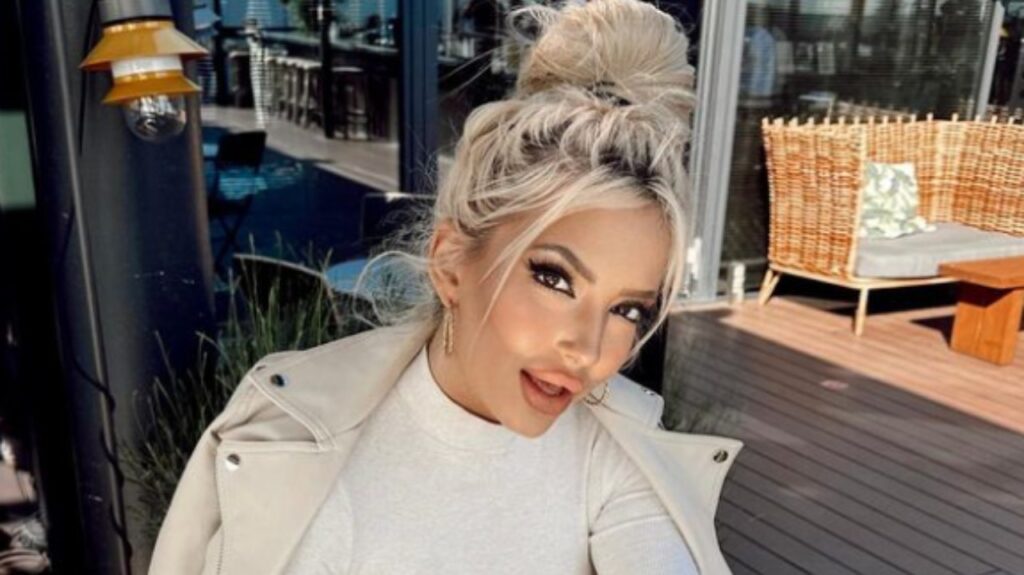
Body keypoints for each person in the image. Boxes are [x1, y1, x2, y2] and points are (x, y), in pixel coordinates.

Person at [147, 1, 742, 573]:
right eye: (554, 278)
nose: (588, 350)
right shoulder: (308, 471)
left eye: (628, 309)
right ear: (451, 263)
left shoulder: (615, 454)